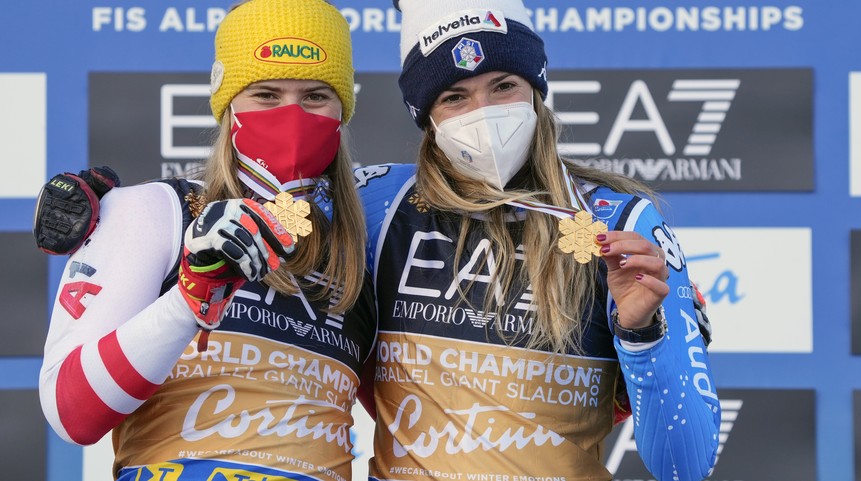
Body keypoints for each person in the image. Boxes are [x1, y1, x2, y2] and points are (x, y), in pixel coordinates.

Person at [354, 1, 720, 480]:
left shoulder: (618, 220)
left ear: (536, 90)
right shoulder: (379, 205)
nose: (483, 115)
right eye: (455, 97)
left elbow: (684, 465)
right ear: (427, 118)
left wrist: (643, 336)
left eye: (503, 86)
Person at [36, 1, 375, 480]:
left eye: (316, 95)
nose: (291, 116)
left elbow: (421, 415)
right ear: (228, 104)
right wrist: (188, 299)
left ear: (343, 108)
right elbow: (70, 414)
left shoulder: (357, 245)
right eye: (266, 94)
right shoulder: (155, 211)